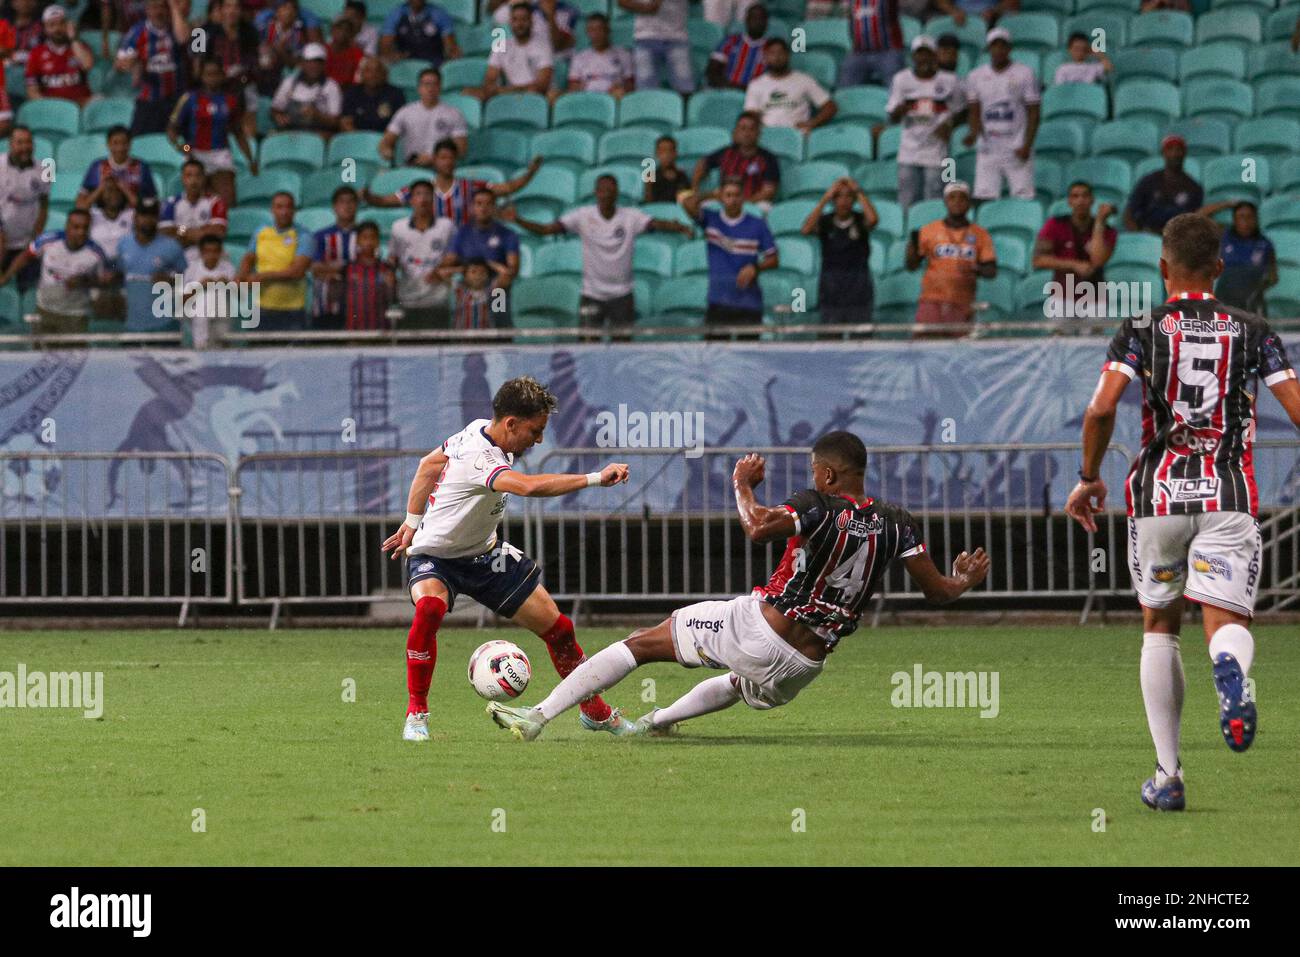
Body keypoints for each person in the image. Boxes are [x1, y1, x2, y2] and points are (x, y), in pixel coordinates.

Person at [487, 433, 991, 741]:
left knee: (641, 644)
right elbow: (940, 592)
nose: (812, 476)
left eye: (816, 470)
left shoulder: (820, 503)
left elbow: (755, 526)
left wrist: (743, 483)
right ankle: (655, 723)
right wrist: (964, 579)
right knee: (736, 683)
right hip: (805, 666)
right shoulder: (897, 522)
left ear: (830, 473)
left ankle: (538, 716)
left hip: (762, 627)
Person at [1065, 212, 1300, 812]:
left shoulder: (1141, 326)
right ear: (1219, 268)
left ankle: (1168, 775)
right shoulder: (1252, 329)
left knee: (1159, 626)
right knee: (1224, 623)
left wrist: (1090, 478)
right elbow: (1297, 408)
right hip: (1227, 497)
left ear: (1162, 267)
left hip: (1158, 502)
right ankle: (1230, 669)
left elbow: (1100, 411)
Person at [380, 375, 635, 742]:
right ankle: (417, 713)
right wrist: (596, 477)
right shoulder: (480, 457)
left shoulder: (479, 430)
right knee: (430, 611)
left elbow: (428, 465)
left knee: (560, 630)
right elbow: (529, 487)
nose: (540, 439)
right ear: (511, 423)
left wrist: (410, 520)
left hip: (485, 556)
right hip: (436, 556)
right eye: (536, 430)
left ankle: (593, 711)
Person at [503, 173, 693, 329]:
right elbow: (546, 230)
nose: (606, 194)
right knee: (586, 348)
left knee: (623, 352)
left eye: (610, 190)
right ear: (596, 193)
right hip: (592, 295)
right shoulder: (583, 216)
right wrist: (518, 220)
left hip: (623, 296)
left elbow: (656, 223)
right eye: (602, 190)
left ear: (617, 193)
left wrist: (680, 227)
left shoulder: (631, 216)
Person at [681, 176, 779, 334]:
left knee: (749, 355)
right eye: (728, 195)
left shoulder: (757, 224)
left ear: (743, 197)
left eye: (737, 195)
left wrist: (755, 268)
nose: (733, 200)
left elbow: (774, 259)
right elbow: (687, 203)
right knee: (714, 354)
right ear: (721, 197)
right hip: (718, 300)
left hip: (749, 302)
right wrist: (711, 194)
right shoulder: (710, 219)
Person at [366, 138, 544, 223]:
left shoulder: (469, 186)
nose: (447, 162)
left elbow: (507, 188)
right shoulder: (421, 189)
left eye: (451, 158)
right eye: (442, 157)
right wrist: (366, 195)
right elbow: (384, 201)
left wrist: (530, 174)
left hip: (463, 247)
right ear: (434, 160)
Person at [0, 208, 113, 336]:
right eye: (76, 227)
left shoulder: (97, 253)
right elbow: (26, 256)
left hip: (76, 315)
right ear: (67, 227)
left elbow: (105, 282)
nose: (81, 232)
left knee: (75, 355)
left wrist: (85, 281)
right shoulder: (48, 240)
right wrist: (6, 276)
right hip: (45, 310)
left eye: (85, 228)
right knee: (39, 354)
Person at [906, 180, 997, 336]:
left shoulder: (980, 234)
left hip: (963, 301)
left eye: (962, 198)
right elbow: (912, 266)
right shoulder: (929, 230)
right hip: (932, 299)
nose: (957, 202)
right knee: (925, 345)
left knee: (957, 350)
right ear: (945, 202)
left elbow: (991, 271)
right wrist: (911, 249)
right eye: (952, 198)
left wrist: (975, 268)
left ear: (969, 204)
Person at [168, 57, 258, 210]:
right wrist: (184, 149)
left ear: (222, 76)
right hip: (195, 153)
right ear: (201, 76)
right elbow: (172, 129)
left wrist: (250, 159)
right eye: (208, 74)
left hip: (221, 154)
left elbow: (238, 132)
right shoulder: (189, 99)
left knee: (227, 202)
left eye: (216, 74)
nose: (212, 78)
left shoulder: (230, 100)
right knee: (196, 202)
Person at [886, 34, 964, 212]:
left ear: (935, 54)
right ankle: (908, 233)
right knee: (906, 195)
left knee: (935, 193)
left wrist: (949, 125)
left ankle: (932, 231)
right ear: (913, 56)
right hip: (908, 149)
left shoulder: (950, 81)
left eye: (927, 53)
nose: (923, 58)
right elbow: (892, 116)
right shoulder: (901, 79)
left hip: (937, 150)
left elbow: (962, 111)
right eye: (919, 54)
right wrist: (900, 110)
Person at [963, 27, 1039, 203]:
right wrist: (974, 133)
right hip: (988, 147)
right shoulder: (976, 76)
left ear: (1009, 48)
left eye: (1002, 46)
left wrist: (1027, 144)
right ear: (989, 49)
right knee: (984, 197)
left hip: (1017, 145)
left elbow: (1034, 112)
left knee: (1023, 196)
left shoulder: (1024, 73)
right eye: (994, 46)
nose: (998, 50)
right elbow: (974, 110)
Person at [1032, 181, 1117, 322]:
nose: (1080, 201)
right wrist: (1073, 265)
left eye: (1085, 196)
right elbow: (1038, 260)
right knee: (1057, 342)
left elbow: (1097, 260)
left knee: (1094, 343)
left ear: (1092, 200)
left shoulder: (1107, 231)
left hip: (1095, 297)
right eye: (1075, 196)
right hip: (1062, 296)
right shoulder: (1055, 224)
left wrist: (1099, 222)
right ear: (1069, 201)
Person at [801, 177, 878, 328]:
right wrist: (825, 198)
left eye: (848, 196)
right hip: (831, 289)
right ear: (833, 200)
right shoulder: (825, 221)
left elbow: (873, 220)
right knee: (829, 341)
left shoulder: (860, 219)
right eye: (839, 196)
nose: (844, 201)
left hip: (858, 288)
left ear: (854, 199)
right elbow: (806, 229)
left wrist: (858, 190)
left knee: (862, 342)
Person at [236, 191, 313, 330]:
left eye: (288, 207)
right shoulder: (261, 232)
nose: (284, 212)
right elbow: (249, 258)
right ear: (272, 210)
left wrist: (262, 276)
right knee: (258, 351)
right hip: (260, 307)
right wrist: (242, 276)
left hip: (293, 309)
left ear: (294, 211)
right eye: (279, 207)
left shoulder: (304, 235)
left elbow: (297, 271)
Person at [441, 188, 521, 322]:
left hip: (497, 287)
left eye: (488, 204)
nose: (483, 208)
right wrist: (465, 269)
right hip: (469, 285)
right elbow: (448, 262)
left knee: (499, 320)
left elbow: (512, 269)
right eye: (479, 204)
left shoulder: (508, 234)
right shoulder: (462, 233)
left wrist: (489, 265)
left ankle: (501, 337)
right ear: (472, 207)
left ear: (494, 207)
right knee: (468, 320)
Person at [387, 179, 456, 327]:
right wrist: (391, 272)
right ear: (411, 200)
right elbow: (393, 258)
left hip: (437, 299)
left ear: (433, 199)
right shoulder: (398, 227)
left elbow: (454, 257)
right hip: (408, 298)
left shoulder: (446, 226)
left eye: (427, 194)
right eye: (418, 194)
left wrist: (439, 270)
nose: (423, 199)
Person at [115, 0, 190, 136]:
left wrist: (174, 6)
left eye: (162, 7)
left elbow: (183, 39)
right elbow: (120, 63)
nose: (158, 12)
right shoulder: (137, 32)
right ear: (147, 10)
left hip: (177, 100)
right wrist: (131, 63)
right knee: (138, 141)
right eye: (154, 7)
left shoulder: (177, 27)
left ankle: (185, 154)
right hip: (149, 102)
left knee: (185, 143)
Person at [116, 195, 187, 333]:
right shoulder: (123, 244)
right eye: (143, 215)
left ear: (157, 218)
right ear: (135, 217)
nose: (147, 220)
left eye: (152, 215)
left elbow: (188, 279)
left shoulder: (172, 246)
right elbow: (119, 275)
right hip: (131, 324)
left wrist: (171, 280)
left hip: (165, 324)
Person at [743, 38, 837, 133]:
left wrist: (812, 123)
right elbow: (751, 115)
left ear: (788, 55)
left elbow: (830, 107)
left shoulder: (804, 80)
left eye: (781, 52)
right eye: (772, 53)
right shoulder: (756, 84)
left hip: (797, 135)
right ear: (765, 57)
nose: (777, 57)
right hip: (767, 135)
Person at [464, 3, 553, 102]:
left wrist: (506, 91)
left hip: (534, 95)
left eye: (524, 19)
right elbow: (490, 80)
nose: (519, 24)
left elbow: (542, 85)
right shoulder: (501, 45)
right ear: (510, 22)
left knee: (551, 95)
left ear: (531, 21)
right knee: (468, 92)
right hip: (509, 93)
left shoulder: (543, 45)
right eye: (515, 20)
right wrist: (506, 91)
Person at [379, 68, 469, 166]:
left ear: (440, 87)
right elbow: (386, 141)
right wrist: (387, 151)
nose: (430, 89)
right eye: (426, 84)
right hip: (412, 165)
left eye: (434, 84)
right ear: (419, 88)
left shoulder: (454, 114)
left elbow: (461, 149)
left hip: (441, 168)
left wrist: (434, 158)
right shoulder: (405, 112)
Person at [690, 112, 780, 206]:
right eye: (743, 129)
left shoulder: (768, 158)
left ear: (758, 133)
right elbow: (702, 164)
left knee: (765, 207)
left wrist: (743, 204)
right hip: (725, 200)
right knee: (701, 206)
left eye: (751, 129)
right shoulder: (726, 153)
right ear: (736, 132)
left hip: (753, 203)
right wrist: (695, 189)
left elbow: (768, 192)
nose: (747, 133)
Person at [0, 126, 50, 292]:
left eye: (28, 142)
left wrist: (35, 238)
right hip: (1, 242)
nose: (25, 147)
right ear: (10, 144)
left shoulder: (47, 168)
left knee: (28, 290)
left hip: (26, 243)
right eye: (19, 142)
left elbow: (44, 206)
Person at [1124, 135, 1208, 235]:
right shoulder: (1149, 181)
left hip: (1177, 239)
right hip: (1148, 236)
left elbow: (1195, 220)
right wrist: (1139, 236)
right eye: (1170, 149)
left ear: (1184, 153)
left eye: (1179, 149)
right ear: (1163, 153)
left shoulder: (1194, 187)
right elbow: (1129, 213)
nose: (1174, 153)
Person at [309, 185, 360, 329]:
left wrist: (333, 270)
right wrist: (349, 270)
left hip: (359, 307)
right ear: (334, 207)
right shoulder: (320, 236)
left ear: (357, 206)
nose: (347, 206)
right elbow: (315, 268)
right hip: (325, 307)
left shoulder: (364, 235)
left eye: (351, 202)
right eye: (342, 202)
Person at [1215, 201, 1278, 315]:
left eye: (1249, 217)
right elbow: (1198, 217)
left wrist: (1258, 289)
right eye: (1241, 217)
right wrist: (1225, 205)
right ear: (1234, 220)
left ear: (1256, 219)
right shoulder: (1225, 235)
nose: (1245, 221)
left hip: (1250, 298)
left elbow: (1273, 278)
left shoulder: (1265, 244)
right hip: (1225, 294)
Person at [619, 0, 693, 94]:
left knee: (684, 86)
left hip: (677, 36)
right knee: (646, 89)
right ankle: (649, 108)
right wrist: (645, 8)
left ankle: (683, 108)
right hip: (645, 37)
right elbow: (622, 2)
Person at [24, 5, 94, 105]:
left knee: (99, 100)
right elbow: (32, 91)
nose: (57, 28)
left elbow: (87, 65)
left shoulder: (79, 46)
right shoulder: (36, 53)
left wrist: (73, 39)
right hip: (52, 107)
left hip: (80, 103)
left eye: (62, 23)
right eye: (52, 25)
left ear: (68, 25)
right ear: (45, 29)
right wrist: (49, 107)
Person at [77, 127, 158, 210]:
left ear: (130, 144)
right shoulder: (97, 166)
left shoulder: (141, 166)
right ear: (108, 144)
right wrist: (102, 187)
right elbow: (81, 205)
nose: (120, 148)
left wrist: (123, 188)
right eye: (115, 143)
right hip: (101, 216)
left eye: (124, 143)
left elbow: (150, 206)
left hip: (132, 216)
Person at [271, 42, 343, 134]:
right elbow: (274, 109)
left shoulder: (331, 86)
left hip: (318, 134)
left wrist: (317, 115)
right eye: (309, 62)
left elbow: (335, 122)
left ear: (323, 65)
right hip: (291, 133)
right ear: (302, 63)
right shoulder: (289, 83)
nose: (314, 66)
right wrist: (278, 117)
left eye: (318, 62)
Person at [182, 233, 237, 348]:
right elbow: (183, 300)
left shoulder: (228, 268)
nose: (212, 255)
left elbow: (239, 297)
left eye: (215, 251)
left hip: (222, 313)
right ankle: (201, 345)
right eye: (208, 251)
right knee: (204, 301)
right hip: (197, 314)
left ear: (220, 252)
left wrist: (227, 284)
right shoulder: (192, 270)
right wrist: (200, 286)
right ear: (201, 253)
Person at [342, 220, 397, 331]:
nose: (369, 242)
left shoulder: (386, 269)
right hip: (353, 331)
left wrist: (391, 286)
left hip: (381, 330)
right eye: (365, 238)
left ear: (378, 241)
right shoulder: (347, 268)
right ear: (357, 241)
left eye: (373, 238)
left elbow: (393, 299)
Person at [565, 12, 634, 99]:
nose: (596, 34)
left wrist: (621, 88)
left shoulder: (623, 54)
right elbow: (573, 86)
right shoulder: (579, 57)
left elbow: (630, 85)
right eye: (592, 30)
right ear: (587, 32)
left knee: (620, 93)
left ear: (607, 30)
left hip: (613, 97)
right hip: (587, 97)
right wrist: (581, 88)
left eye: (599, 29)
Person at [839, 0, 905, 88]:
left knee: (896, 87)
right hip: (860, 53)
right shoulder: (854, 2)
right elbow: (851, 23)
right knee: (845, 83)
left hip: (888, 51)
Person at [379, 0, 460, 67]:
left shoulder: (439, 13)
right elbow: (385, 43)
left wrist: (452, 52)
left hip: (434, 60)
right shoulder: (396, 14)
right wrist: (393, 55)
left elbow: (450, 44)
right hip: (405, 60)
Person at [706, 2, 767, 90]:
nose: (757, 22)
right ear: (746, 20)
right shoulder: (731, 41)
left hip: (756, 95)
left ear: (766, 22)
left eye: (761, 19)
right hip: (726, 90)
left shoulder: (770, 48)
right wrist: (731, 88)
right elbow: (712, 71)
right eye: (753, 18)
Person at [340, 56, 405, 132]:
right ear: (361, 74)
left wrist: (385, 141)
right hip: (357, 140)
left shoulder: (396, 94)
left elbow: (400, 124)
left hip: (386, 140)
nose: (373, 75)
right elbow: (346, 122)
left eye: (377, 71)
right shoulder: (352, 93)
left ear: (385, 74)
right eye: (368, 71)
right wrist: (360, 140)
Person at [452, 257, 508, 330]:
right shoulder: (460, 290)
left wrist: (489, 263)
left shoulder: (491, 290)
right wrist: (461, 269)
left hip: (485, 338)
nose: (478, 276)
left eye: (482, 272)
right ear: (465, 276)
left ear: (487, 275)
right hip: (462, 338)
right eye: (473, 272)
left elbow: (506, 274)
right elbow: (441, 273)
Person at [645, 134, 688, 203]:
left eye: (670, 150)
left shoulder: (682, 176)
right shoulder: (651, 176)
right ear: (657, 153)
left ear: (675, 153)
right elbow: (648, 202)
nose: (667, 154)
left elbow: (685, 200)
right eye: (663, 151)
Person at [325, 16, 364, 87]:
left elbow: (358, 80)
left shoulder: (358, 54)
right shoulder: (322, 50)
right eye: (339, 28)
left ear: (352, 34)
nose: (343, 32)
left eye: (347, 30)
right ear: (332, 30)